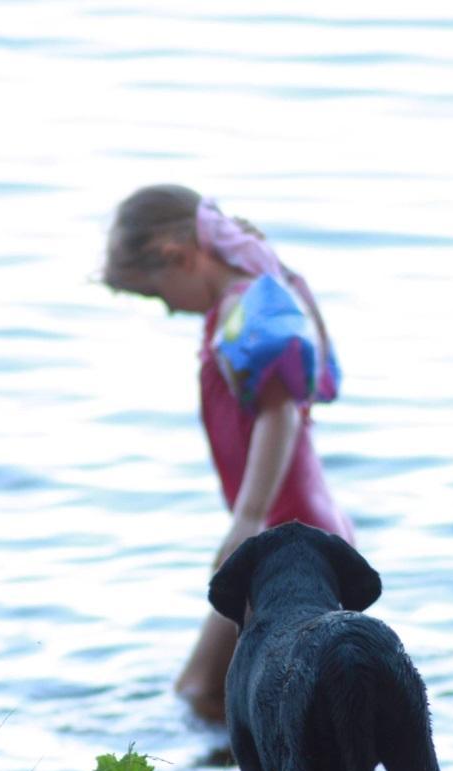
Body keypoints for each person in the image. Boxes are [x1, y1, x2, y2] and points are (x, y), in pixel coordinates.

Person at [103, 184, 353, 722]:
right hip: (293, 533)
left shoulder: (245, 307)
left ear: (180, 258)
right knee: (232, 696)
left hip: (286, 539)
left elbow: (278, 409)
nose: (168, 309)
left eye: (158, 294)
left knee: (212, 694)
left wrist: (248, 518)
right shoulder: (242, 305)